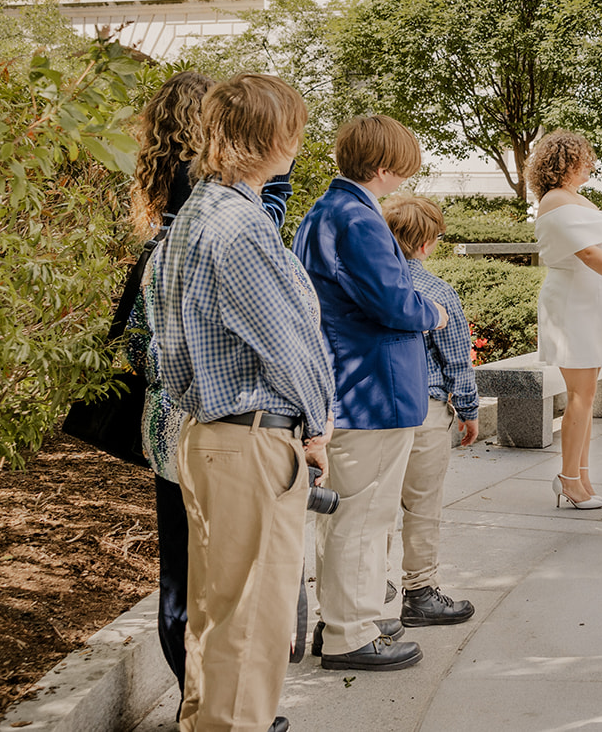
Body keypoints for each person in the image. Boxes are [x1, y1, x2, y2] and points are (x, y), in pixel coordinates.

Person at [148, 73, 333, 732]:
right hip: (251, 438)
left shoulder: (194, 214)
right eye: (296, 128)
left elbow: (168, 348)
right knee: (251, 625)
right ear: (275, 136)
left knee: (215, 617)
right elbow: (288, 345)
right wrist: (317, 424)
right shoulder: (239, 227)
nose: (300, 140)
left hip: (207, 433)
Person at [127, 71, 295, 708]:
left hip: (169, 413)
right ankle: (215, 704)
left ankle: (193, 700)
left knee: (185, 569)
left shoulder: (164, 203)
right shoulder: (227, 208)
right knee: (224, 582)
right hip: (218, 406)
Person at [293, 115, 445, 672]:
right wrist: (431, 311)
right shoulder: (358, 217)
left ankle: (339, 621)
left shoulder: (324, 212)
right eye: (401, 168)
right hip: (373, 388)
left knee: (345, 516)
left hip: (349, 384)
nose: (403, 178)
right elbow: (394, 303)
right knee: (364, 516)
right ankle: (351, 635)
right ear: (384, 166)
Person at [527, 131, 602, 510]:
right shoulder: (554, 201)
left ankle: (583, 476)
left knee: (588, 395)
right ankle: (568, 480)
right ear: (565, 161)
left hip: (591, 300)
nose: (591, 164)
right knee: (580, 396)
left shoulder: (577, 199)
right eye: (584, 158)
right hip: (571, 304)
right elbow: (589, 256)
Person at [381, 193, 480, 629]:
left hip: (373, 410)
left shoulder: (369, 286)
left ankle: (365, 590)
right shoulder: (435, 291)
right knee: (421, 506)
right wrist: (469, 409)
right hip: (425, 409)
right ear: (425, 244)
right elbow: (457, 358)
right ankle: (419, 593)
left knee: (374, 507)